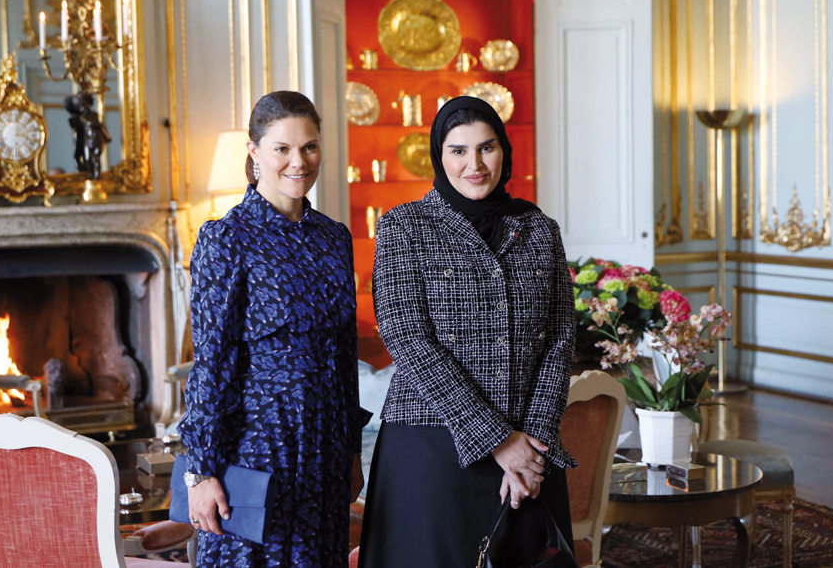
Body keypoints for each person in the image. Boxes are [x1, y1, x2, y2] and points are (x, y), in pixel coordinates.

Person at [358, 96, 577, 567]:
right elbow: (407, 339)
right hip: (431, 445)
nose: (474, 164)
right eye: (458, 151)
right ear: (440, 156)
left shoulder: (540, 229)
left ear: (504, 151)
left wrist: (531, 446)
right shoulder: (404, 227)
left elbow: (560, 340)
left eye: (486, 148)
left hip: (529, 449)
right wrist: (499, 441)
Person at [179, 91, 368, 568]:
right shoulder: (226, 239)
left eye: (309, 147)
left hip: (325, 449)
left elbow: (344, 353)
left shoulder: (334, 237)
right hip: (259, 449)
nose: (298, 162)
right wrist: (200, 472)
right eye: (282, 148)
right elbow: (212, 362)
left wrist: (350, 449)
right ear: (254, 151)